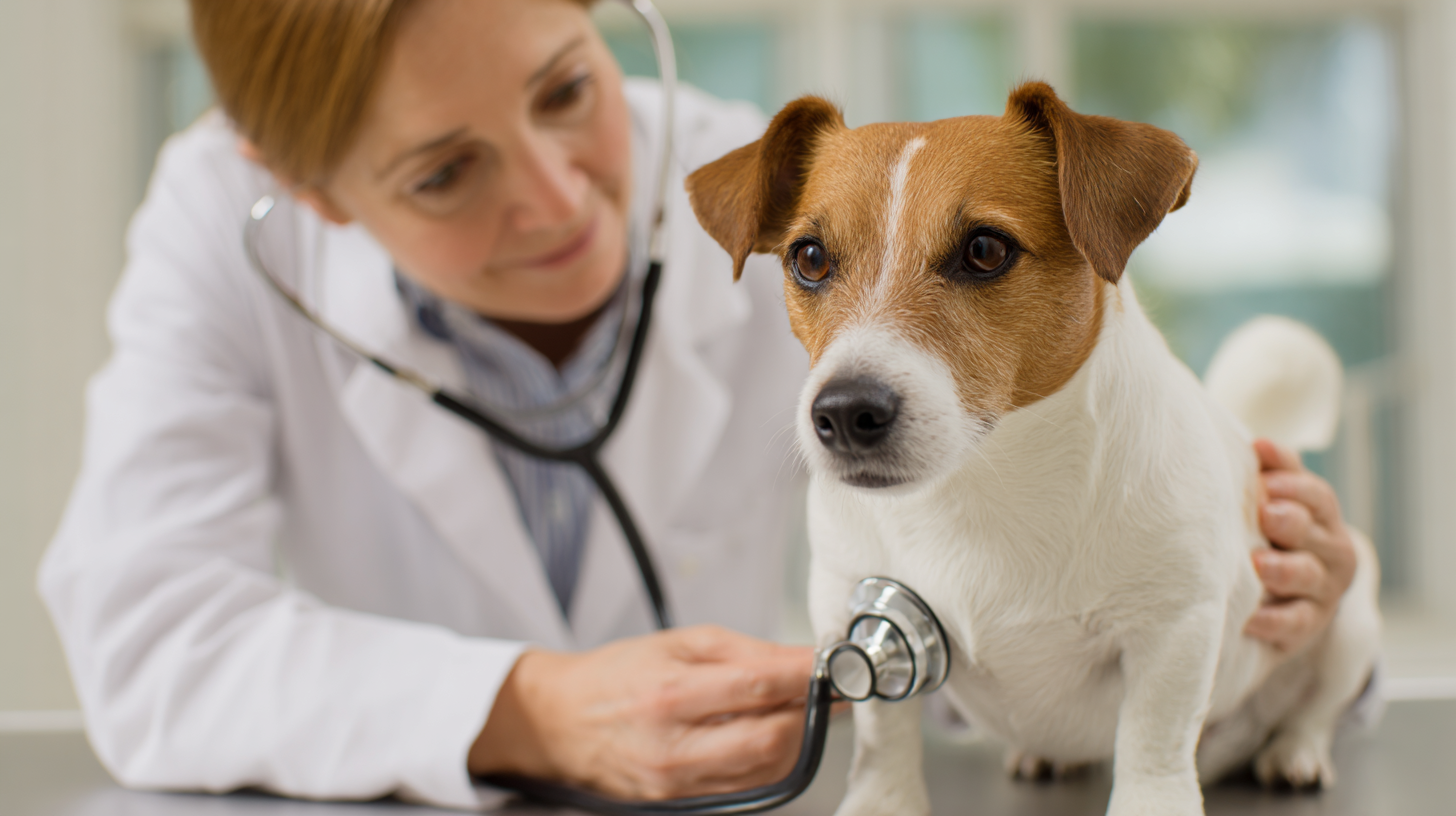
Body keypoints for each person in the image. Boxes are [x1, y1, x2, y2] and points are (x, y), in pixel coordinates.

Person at [38, 0, 1361, 809]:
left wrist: (1256, 586)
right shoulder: (218, 227)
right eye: (444, 172)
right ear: (306, 189)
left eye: (567, 89)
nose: (558, 198)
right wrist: (522, 706)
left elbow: (1067, 451)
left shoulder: (799, 188)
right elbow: (146, 640)